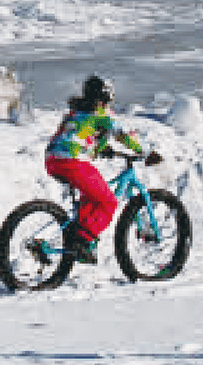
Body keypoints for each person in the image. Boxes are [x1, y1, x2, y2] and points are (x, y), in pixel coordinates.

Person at [44, 75, 158, 262]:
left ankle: (78, 238)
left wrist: (101, 147)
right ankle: (82, 242)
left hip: (52, 160)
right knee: (108, 203)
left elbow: (80, 133)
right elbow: (122, 135)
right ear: (105, 98)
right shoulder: (101, 114)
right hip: (73, 162)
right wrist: (146, 152)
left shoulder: (76, 111)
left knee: (92, 197)